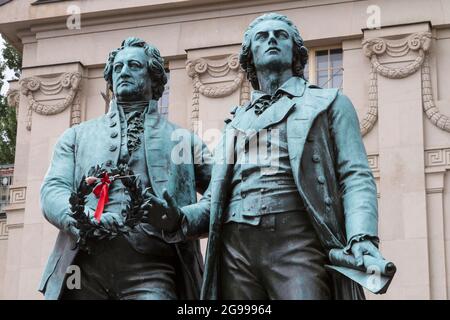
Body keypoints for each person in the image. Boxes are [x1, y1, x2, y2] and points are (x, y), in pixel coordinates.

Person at [147, 13, 383, 300]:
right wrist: (178, 218)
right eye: (262, 36)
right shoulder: (234, 122)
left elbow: (355, 175)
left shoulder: (329, 102)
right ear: (250, 56)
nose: (271, 39)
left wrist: (362, 237)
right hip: (233, 250)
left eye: (280, 35)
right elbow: (213, 200)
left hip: (296, 242)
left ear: (296, 51)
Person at [39, 37, 212, 300]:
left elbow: (222, 196)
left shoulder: (184, 140)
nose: (124, 72)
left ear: (154, 78)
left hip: (154, 269)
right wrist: (82, 216)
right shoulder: (76, 136)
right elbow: (53, 189)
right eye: (118, 68)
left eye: (133, 65)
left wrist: (182, 218)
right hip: (83, 267)